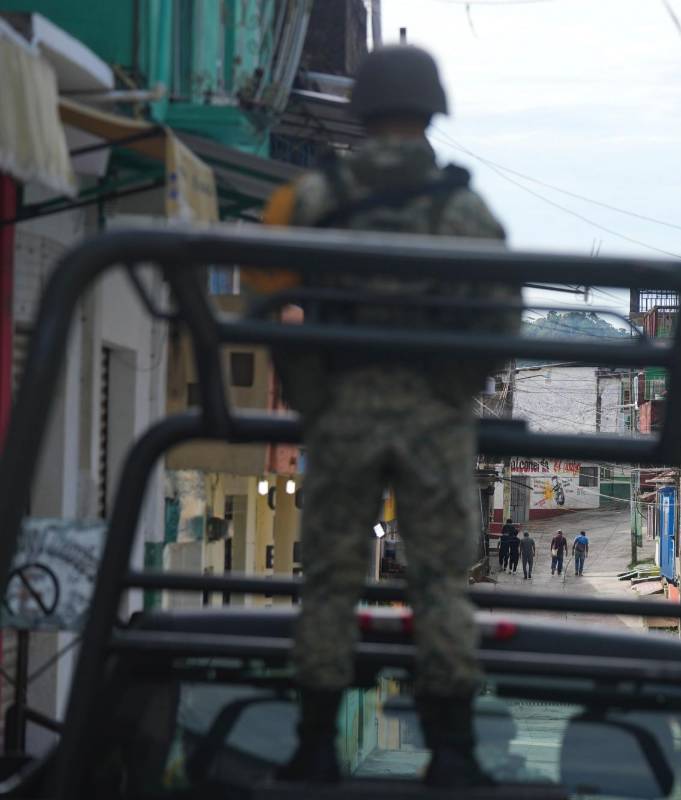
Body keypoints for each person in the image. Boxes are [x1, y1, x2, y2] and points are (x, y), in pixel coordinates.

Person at [245, 45, 517, 787]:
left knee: (329, 579)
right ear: (431, 111)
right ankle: (452, 753)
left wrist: (314, 397)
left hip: (342, 415)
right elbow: (501, 319)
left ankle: (313, 746)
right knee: (440, 582)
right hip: (434, 419)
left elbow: (269, 303)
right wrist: (449, 391)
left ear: (361, 110)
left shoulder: (312, 199)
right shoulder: (463, 210)